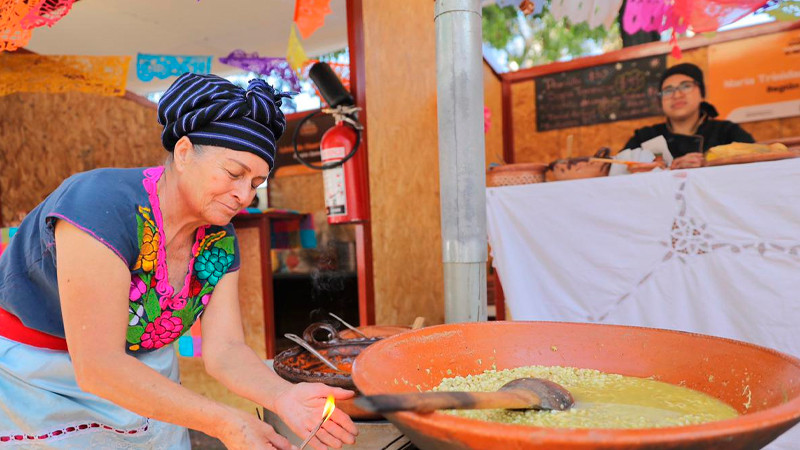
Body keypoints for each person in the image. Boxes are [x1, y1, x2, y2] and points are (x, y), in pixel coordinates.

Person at [0, 73, 358, 449]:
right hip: (42, 382)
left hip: (147, 379)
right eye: (234, 173)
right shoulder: (99, 206)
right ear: (184, 152)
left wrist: (282, 397)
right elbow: (99, 367)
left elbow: (226, 351)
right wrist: (226, 422)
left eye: (255, 183)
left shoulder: (219, 239)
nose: (243, 195)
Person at [622, 63, 755, 169]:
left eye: (685, 86)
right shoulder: (644, 137)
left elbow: (755, 164)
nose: (677, 95)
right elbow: (620, 172)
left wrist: (707, 164)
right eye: (668, 90)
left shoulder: (727, 132)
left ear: (702, 93)